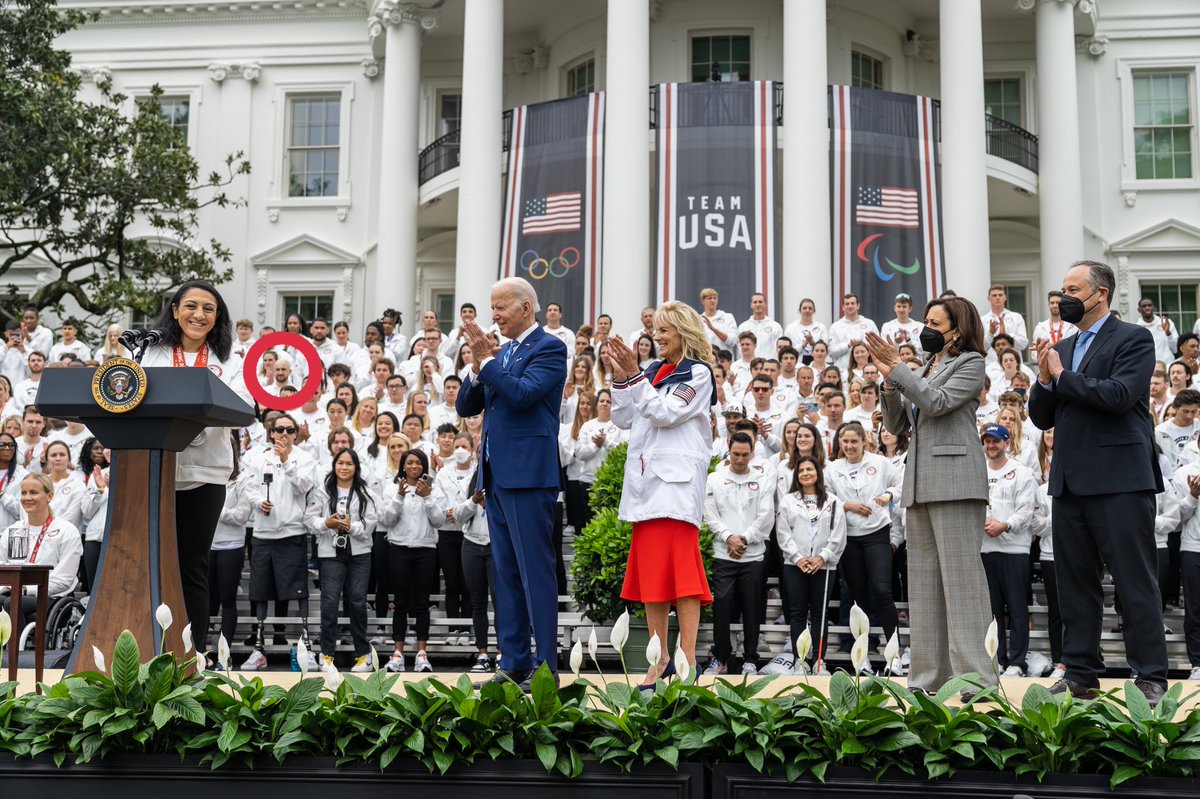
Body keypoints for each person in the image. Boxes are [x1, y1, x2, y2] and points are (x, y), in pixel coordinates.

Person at [1029, 259, 1168, 706]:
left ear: (1100, 293)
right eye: (1062, 289)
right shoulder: (1063, 348)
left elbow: (1119, 396)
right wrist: (1044, 379)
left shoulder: (1133, 338)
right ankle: (1081, 671)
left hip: (1120, 482)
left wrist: (1063, 377)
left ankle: (1149, 674)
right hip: (1069, 483)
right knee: (1074, 584)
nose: (1064, 297)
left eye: (1073, 288)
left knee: (1134, 580)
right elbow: (1040, 416)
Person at [866, 295, 997, 695]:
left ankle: (976, 679)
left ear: (956, 329)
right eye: (925, 321)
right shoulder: (925, 365)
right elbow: (897, 424)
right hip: (920, 483)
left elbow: (936, 403)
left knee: (961, 584)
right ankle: (927, 679)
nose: (926, 329)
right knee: (923, 587)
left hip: (956, 481)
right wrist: (890, 381)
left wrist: (900, 370)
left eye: (935, 323)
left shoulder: (971, 363)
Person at [455, 276, 567, 690]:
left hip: (529, 475)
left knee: (535, 571)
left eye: (501, 307)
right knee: (505, 574)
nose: (494, 315)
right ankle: (515, 660)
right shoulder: (498, 354)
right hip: (497, 476)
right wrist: (475, 368)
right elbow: (466, 405)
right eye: (492, 307)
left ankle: (545, 668)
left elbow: (522, 395)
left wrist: (489, 364)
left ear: (526, 308)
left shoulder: (550, 347)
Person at [604, 301, 715, 689]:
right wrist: (622, 377)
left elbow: (667, 412)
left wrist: (636, 379)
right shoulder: (651, 371)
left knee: (683, 578)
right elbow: (623, 418)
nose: (656, 337)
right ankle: (658, 656)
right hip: (646, 488)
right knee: (651, 576)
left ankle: (686, 657)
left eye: (664, 331)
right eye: (655, 330)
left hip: (677, 489)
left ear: (683, 332)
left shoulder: (698, 374)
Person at [139, 280, 250, 660]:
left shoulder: (230, 359)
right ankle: (147, 649)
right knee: (149, 563)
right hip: (154, 469)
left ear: (217, 318)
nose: (198, 315)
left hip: (205, 474)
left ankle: (194, 655)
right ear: (174, 310)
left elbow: (243, 408)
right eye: (191, 306)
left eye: (208, 309)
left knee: (193, 566)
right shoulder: (151, 353)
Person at [239, 412, 317, 671]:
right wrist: (258, 502)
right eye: (279, 429)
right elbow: (248, 487)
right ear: (271, 432)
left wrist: (285, 460)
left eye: (289, 430)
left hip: (292, 533)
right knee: (260, 591)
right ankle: (259, 649)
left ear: (296, 434)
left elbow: (304, 486)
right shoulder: (257, 458)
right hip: (262, 534)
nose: (284, 434)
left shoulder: (305, 459)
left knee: (298, 591)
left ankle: (308, 647)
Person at [702, 432, 775, 676]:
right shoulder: (714, 478)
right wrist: (728, 537)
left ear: (752, 452)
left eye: (745, 455)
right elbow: (709, 513)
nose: (740, 459)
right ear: (728, 449)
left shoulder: (763, 480)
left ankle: (751, 659)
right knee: (721, 604)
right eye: (736, 454)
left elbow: (766, 515)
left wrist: (744, 538)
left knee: (752, 607)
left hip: (752, 555)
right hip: (723, 554)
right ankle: (721, 657)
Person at [309, 447, 378, 675]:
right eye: (341, 463)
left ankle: (362, 655)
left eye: (349, 464)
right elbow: (308, 519)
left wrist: (351, 527)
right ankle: (326, 655)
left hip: (359, 554)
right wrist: (325, 524)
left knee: (357, 602)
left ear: (356, 467)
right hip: (330, 553)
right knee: (329, 603)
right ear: (334, 465)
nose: (345, 467)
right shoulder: (322, 491)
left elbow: (371, 523)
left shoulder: (365, 492)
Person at [776, 455, 845, 675]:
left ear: (818, 473)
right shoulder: (788, 501)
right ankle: (800, 660)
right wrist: (798, 557)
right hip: (795, 564)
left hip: (823, 566)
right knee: (797, 613)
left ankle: (818, 661)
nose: (806, 473)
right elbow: (783, 532)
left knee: (819, 614)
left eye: (810, 469)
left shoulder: (833, 501)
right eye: (801, 470)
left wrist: (822, 557)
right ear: (797, 475)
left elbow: (839, 535)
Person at [978, 424, 1038, 677]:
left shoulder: (1021, 472)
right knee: (991, 608)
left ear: (1006, 442)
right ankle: (997, 658)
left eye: (995, 441)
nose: (991, 446)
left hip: (1014, 548)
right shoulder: (977, 470)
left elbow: (1026, 510)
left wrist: (1005, 525)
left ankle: (1017, 661)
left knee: (1016, 608)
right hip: (985, 547)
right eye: (987, 442)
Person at [380, 449, 442, 673]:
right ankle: (398, 654)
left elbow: (438, 520)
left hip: (425, 550)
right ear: (403, 466)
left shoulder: (433, 489)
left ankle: (421, 654)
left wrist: (427, 497)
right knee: (400, 603)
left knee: (421, 603)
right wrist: (399, 496)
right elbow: (386, 519)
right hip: (399, 549)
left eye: (418, 463)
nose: (414, 466)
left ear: (424, 467)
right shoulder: (390, 488)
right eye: (410, 463)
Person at [0, 474, 83, 616]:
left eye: (33, 492)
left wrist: (26, 589)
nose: (27, 498)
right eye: (24, 493)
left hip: (51, 597)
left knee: (12, 603)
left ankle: (16, 639)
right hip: (13, 592)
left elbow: (64, 579)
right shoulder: (13, 530)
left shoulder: (67, 531)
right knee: (9, 600)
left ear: (49, 496)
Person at [828, 293, 878, 372]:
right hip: (843, 371)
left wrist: (862, 344)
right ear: (843, 307)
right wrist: (848, 345)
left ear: (858, 306)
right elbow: (831, 353)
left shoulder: (869, 324)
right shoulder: (835, 326)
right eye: (847, 304)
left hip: (867, 372)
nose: (850, 306)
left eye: (852, 303)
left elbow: (877, 347)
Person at [981, 284, 1029, 363]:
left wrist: (1007, 335)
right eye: (994, 295)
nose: (997, 297)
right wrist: (990, 333)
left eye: (1000, 295)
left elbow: (1023, 344)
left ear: (1005, 297)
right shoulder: (982, 320)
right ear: (989, 299)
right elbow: (982, 348)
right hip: (991, 368)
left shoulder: (1016, 317)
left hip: (1014, 365)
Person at [1135, 297, 1179, 366]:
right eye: (1144, 306)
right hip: (1147, 368)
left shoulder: (1166, 323)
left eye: (1149, 305)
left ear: (1154, 308)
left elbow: (1175, 349)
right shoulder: (1136, 328)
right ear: (1139, 310)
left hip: (1167, 366)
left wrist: (1168, 333)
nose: (1147, 308)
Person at [783, 298, 827, 365]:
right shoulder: (791, 328)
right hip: (797, 361)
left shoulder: (821, 327)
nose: (807, 310)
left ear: (814, 311)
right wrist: (802, 345)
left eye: (810, 308)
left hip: (817, 362)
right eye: (804, 308)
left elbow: (825, 347)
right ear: (800, 310)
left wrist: (813, 343)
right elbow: (787, 349)